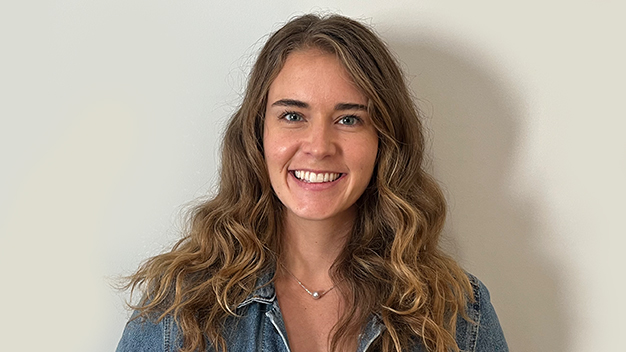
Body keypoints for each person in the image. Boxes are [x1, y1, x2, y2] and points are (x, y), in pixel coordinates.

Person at [116, 13, 508, 352]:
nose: (319, 146)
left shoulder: (457, 314)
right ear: (258, 134)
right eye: (292, 116)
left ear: (384, 141)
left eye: (349, 119)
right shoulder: (179, 310)